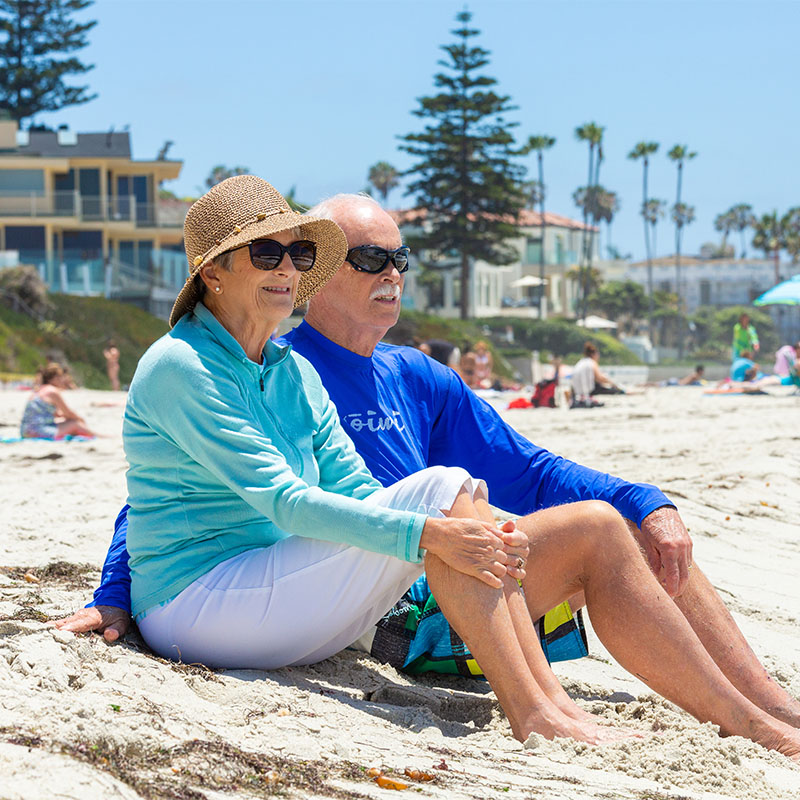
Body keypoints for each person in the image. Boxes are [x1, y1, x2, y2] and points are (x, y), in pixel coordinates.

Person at [57, 191, 800, 756]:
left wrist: (650, 498)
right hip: (396, 606)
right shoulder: (240, 362)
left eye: (399, 260)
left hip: (418, 569)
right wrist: (115, 593)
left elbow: (531, 471)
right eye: (370, 260)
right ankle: (702, 722)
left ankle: (773, 710)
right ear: (219, 273)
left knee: (631, 523)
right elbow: (159, 497)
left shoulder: (394, 374)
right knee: (581, 526)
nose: (392, 275)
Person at [20, 362, 95, 439]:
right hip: (36, 432)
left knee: (68, 422)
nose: (63, 379)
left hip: (25, 431)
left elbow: (57, 414)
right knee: (75, 424)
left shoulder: (39, 390)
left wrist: (66, 418)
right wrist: (80, 419)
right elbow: (68, 413)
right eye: (60, 376)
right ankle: (99, 436)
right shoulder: (52, 391)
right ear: (54, 378)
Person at [569, 342, 623, 408]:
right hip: (588, 392)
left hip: (577, 392)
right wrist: (613, 384)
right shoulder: (592, 362)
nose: (598, 357)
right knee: (616, 391)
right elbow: (599, 378)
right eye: (598, 354)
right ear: (593, 354)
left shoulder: (580, 362)